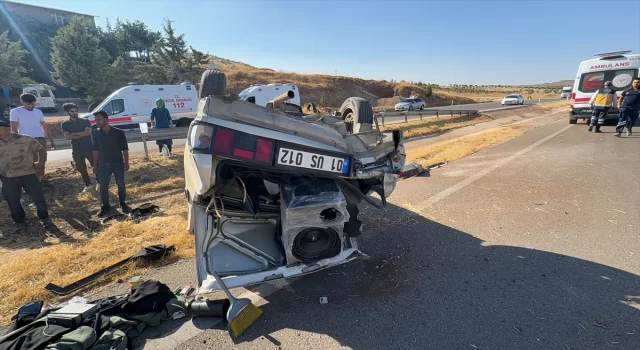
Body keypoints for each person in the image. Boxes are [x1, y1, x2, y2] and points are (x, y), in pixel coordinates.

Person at [0, 117, 53, 232]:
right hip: (7, 177)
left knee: (38, 197)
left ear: (8, 129)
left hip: (28, 174)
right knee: (13, 201)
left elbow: (41, 149)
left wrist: (41, 162)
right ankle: (19, 221)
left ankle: (45, 218)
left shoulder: (25, 139)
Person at [91, 110, 131, 216]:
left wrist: (126, 163)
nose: (97, 122)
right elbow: (95, 150)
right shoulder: (95, 133)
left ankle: (122, 203)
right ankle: (105, 206)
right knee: (103, 186)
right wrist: (95, 165)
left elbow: (125, 149)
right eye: (95, 120)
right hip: (103, 164)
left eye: (99, 119)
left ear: (106, 120)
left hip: (117, 163)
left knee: (121, 184)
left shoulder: (118, 132)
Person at [9, 93, 56, 182]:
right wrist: (16, 142)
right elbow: (14, 129)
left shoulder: (38, 112)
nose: (31, 106)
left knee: (43, 157)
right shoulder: (15, 111)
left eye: (33, 104)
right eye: (28, 104)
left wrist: (51, 141)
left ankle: (41, 176)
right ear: (22, 102)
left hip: (40, 137)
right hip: (26, 139)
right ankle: (33, 178)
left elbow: (44, 127)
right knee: (31, 159)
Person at [61, 103, 98, 193]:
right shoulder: (65, 124)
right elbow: (67, 137)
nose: (75, 113)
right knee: (81, 168)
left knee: (96, 165)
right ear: (67, 112)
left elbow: (88, 133)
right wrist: (81, 133)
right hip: (76, 149)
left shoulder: (85, 121)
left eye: (76, 111)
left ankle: (100, 183)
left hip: (89, 147)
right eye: (72, 111)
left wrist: (73, 134)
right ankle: (88, 184)